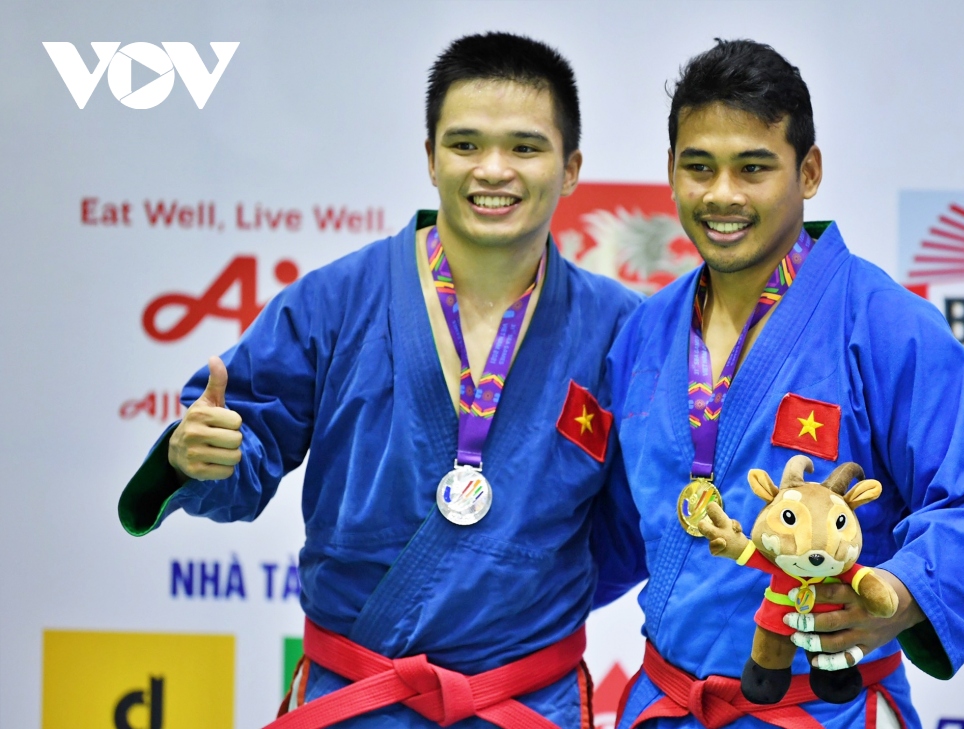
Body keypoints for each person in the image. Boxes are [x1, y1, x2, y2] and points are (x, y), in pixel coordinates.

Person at [117, 32, 645, 729]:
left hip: (524, 701)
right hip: (355, 700)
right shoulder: (336, 301)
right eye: (465, 145)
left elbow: (641, 519)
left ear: (571, 166)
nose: (493, 170)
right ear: (430, 158)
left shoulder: (621, 328)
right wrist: (199, 457)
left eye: (525, 147)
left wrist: (528, 589)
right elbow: (238, 453)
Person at [606, 39, 964, 729]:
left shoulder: (885, 324)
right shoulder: (645, 331)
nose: (723, 194)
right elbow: (611, 529)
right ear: (672, 173)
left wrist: (899, 588)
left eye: (754, 167)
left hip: (827, 709)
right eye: (699, 167)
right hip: (669, 705)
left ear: (809, 171)